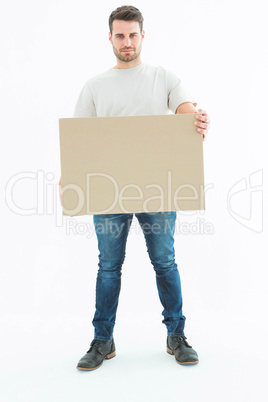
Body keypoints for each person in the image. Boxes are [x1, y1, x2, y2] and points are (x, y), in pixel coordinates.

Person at [59, 5, 210, 370]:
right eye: (120, 35)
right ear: (110, 38)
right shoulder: (94, 86)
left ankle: (177, 335)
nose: (127, 42)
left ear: (143, 36)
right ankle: (103, 340)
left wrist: (198, 120)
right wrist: (71, 175)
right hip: (110, 192)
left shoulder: (164, 77)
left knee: (164, 261)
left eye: (133, 34)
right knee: (109, 265)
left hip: (156, 188)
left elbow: (186, 114)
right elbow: (81, 140)